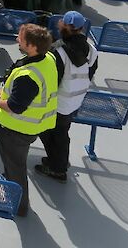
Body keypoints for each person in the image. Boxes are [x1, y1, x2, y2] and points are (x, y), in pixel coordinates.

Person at [0, 23, 58, 217]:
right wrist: (1, 92)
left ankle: (19, 206)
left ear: (32, 46)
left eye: (21, 38)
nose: (17, 39)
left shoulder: (28, 76)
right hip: (34, 126)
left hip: (16, 130)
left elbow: (15, 106)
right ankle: (8, 180)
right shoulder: (48, 57)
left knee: (16, 167)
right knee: (13, 164)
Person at [35, 12, 98, 183]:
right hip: (75, 99)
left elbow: (52, 80)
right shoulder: (92, 50)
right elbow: (90, 73)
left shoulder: (58, 51)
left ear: (66, 26)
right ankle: (58, 161)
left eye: (62, 22)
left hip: (59, 101)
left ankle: (58, 168)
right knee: (61, 132)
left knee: (48, 131)